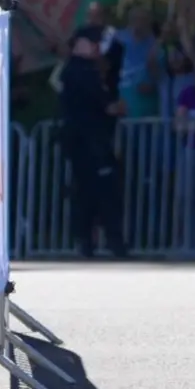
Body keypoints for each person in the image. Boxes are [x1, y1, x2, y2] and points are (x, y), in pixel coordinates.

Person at [59, 25, 128, 258]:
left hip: (85, 142)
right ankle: (110, 241)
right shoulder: (80, 71)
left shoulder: (75, 70)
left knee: (87, 192)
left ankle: (88, 241)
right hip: (90, 142)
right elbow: (104, 104)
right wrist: (115, 107)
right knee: (102, 192)